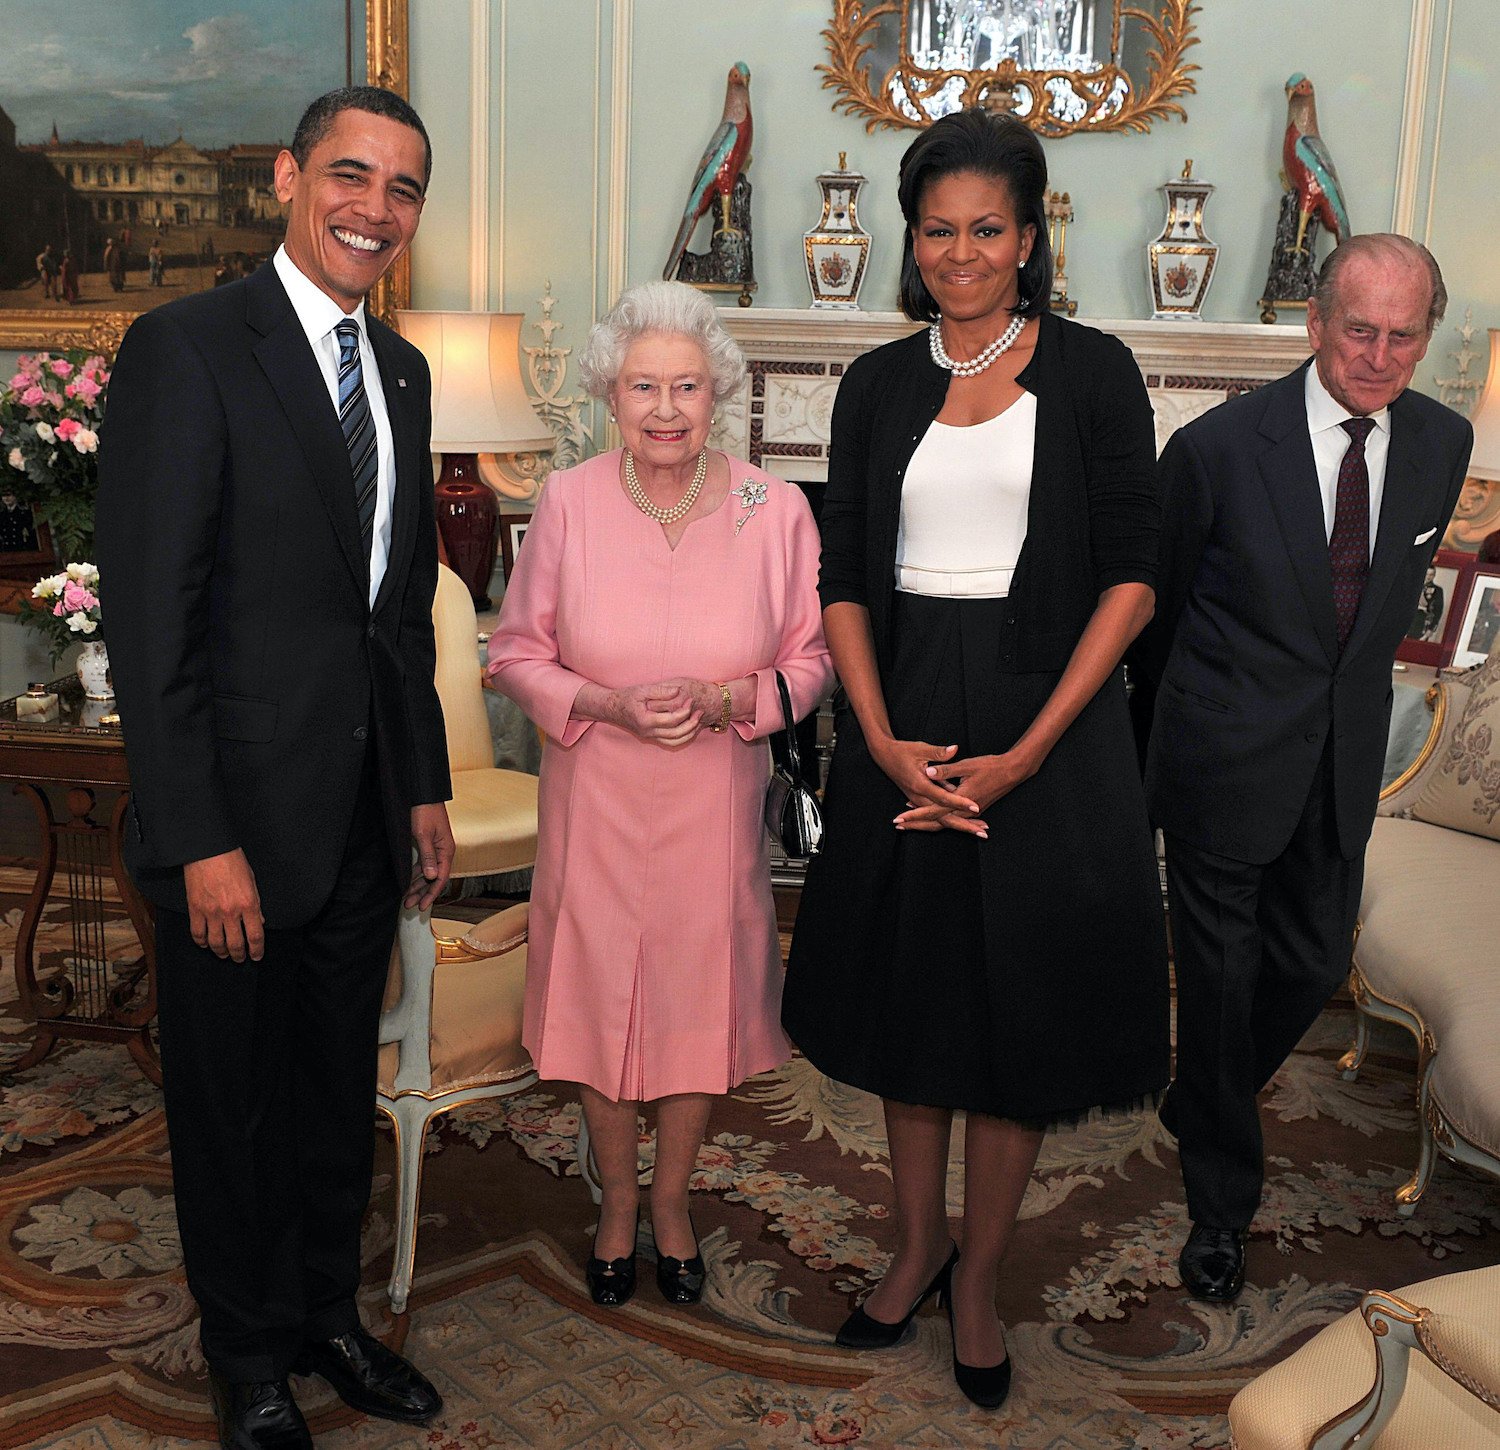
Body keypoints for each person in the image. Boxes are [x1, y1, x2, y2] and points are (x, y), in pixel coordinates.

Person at [782, 109, 1169, 1410]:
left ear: (1029, 234)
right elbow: (842, 577)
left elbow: (1132, 579)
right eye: (937, 229)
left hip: (1047, 727)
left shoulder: (1098, 372)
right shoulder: (877, 383)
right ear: (912, 236)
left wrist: (1032, 748)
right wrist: (878, 738)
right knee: (913, 1010)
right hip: (905, 724)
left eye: (986, 228)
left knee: (1018, 1026)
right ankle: (912, 1248)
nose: (960, 253)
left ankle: (980, 1276)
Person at [96, 86, 454, 1450]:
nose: (375, 207)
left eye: (404, 188)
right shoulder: (188, 349)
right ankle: (245, 1351)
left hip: (360, 816)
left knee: (328, 1101)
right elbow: (154, 616)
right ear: (287, 177)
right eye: (350, 175)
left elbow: (397, 608)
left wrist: (418, 781)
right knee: (231, 1105)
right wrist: (200, 837)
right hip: (234, 830)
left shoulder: (403, 371)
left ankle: (324, 1315)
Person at [1138, 234, 1473, 1305]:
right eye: (1360, 329)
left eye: (1403, 335)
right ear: (1317, 320)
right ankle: (1220, 1207)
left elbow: (1383, 606)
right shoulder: (1219, 449)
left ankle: (1203, 1093)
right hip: (1220, 756)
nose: (1379, 355)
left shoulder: (1441, 442)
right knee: (1226, 981)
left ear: (1427, 337)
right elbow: (1160, 611)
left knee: (1315, 954)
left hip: (1338, 766)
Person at [488, 280, 832, 1313]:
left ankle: (672, 1200)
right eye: (645, 386)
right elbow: (514, 652)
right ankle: (616, 1206)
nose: (668, 407)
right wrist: (607, 702)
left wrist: (733, 696)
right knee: (597, 998)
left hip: (713, 802)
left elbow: (811, 664)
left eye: (687, 385)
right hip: (596, 793)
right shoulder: (568, 501)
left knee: (696, 1002)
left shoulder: (776, 508)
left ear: (718, 391)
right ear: (610, 394)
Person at [1408, 564, 1445, 641]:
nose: (1428, 577)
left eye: (1431, 575)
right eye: (1427, 574)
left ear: (1434, 575)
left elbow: (1438, 610)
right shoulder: (1413, 585)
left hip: (1423, 622)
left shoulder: (1437, 590)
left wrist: (1431, 629)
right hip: (1409, 620)